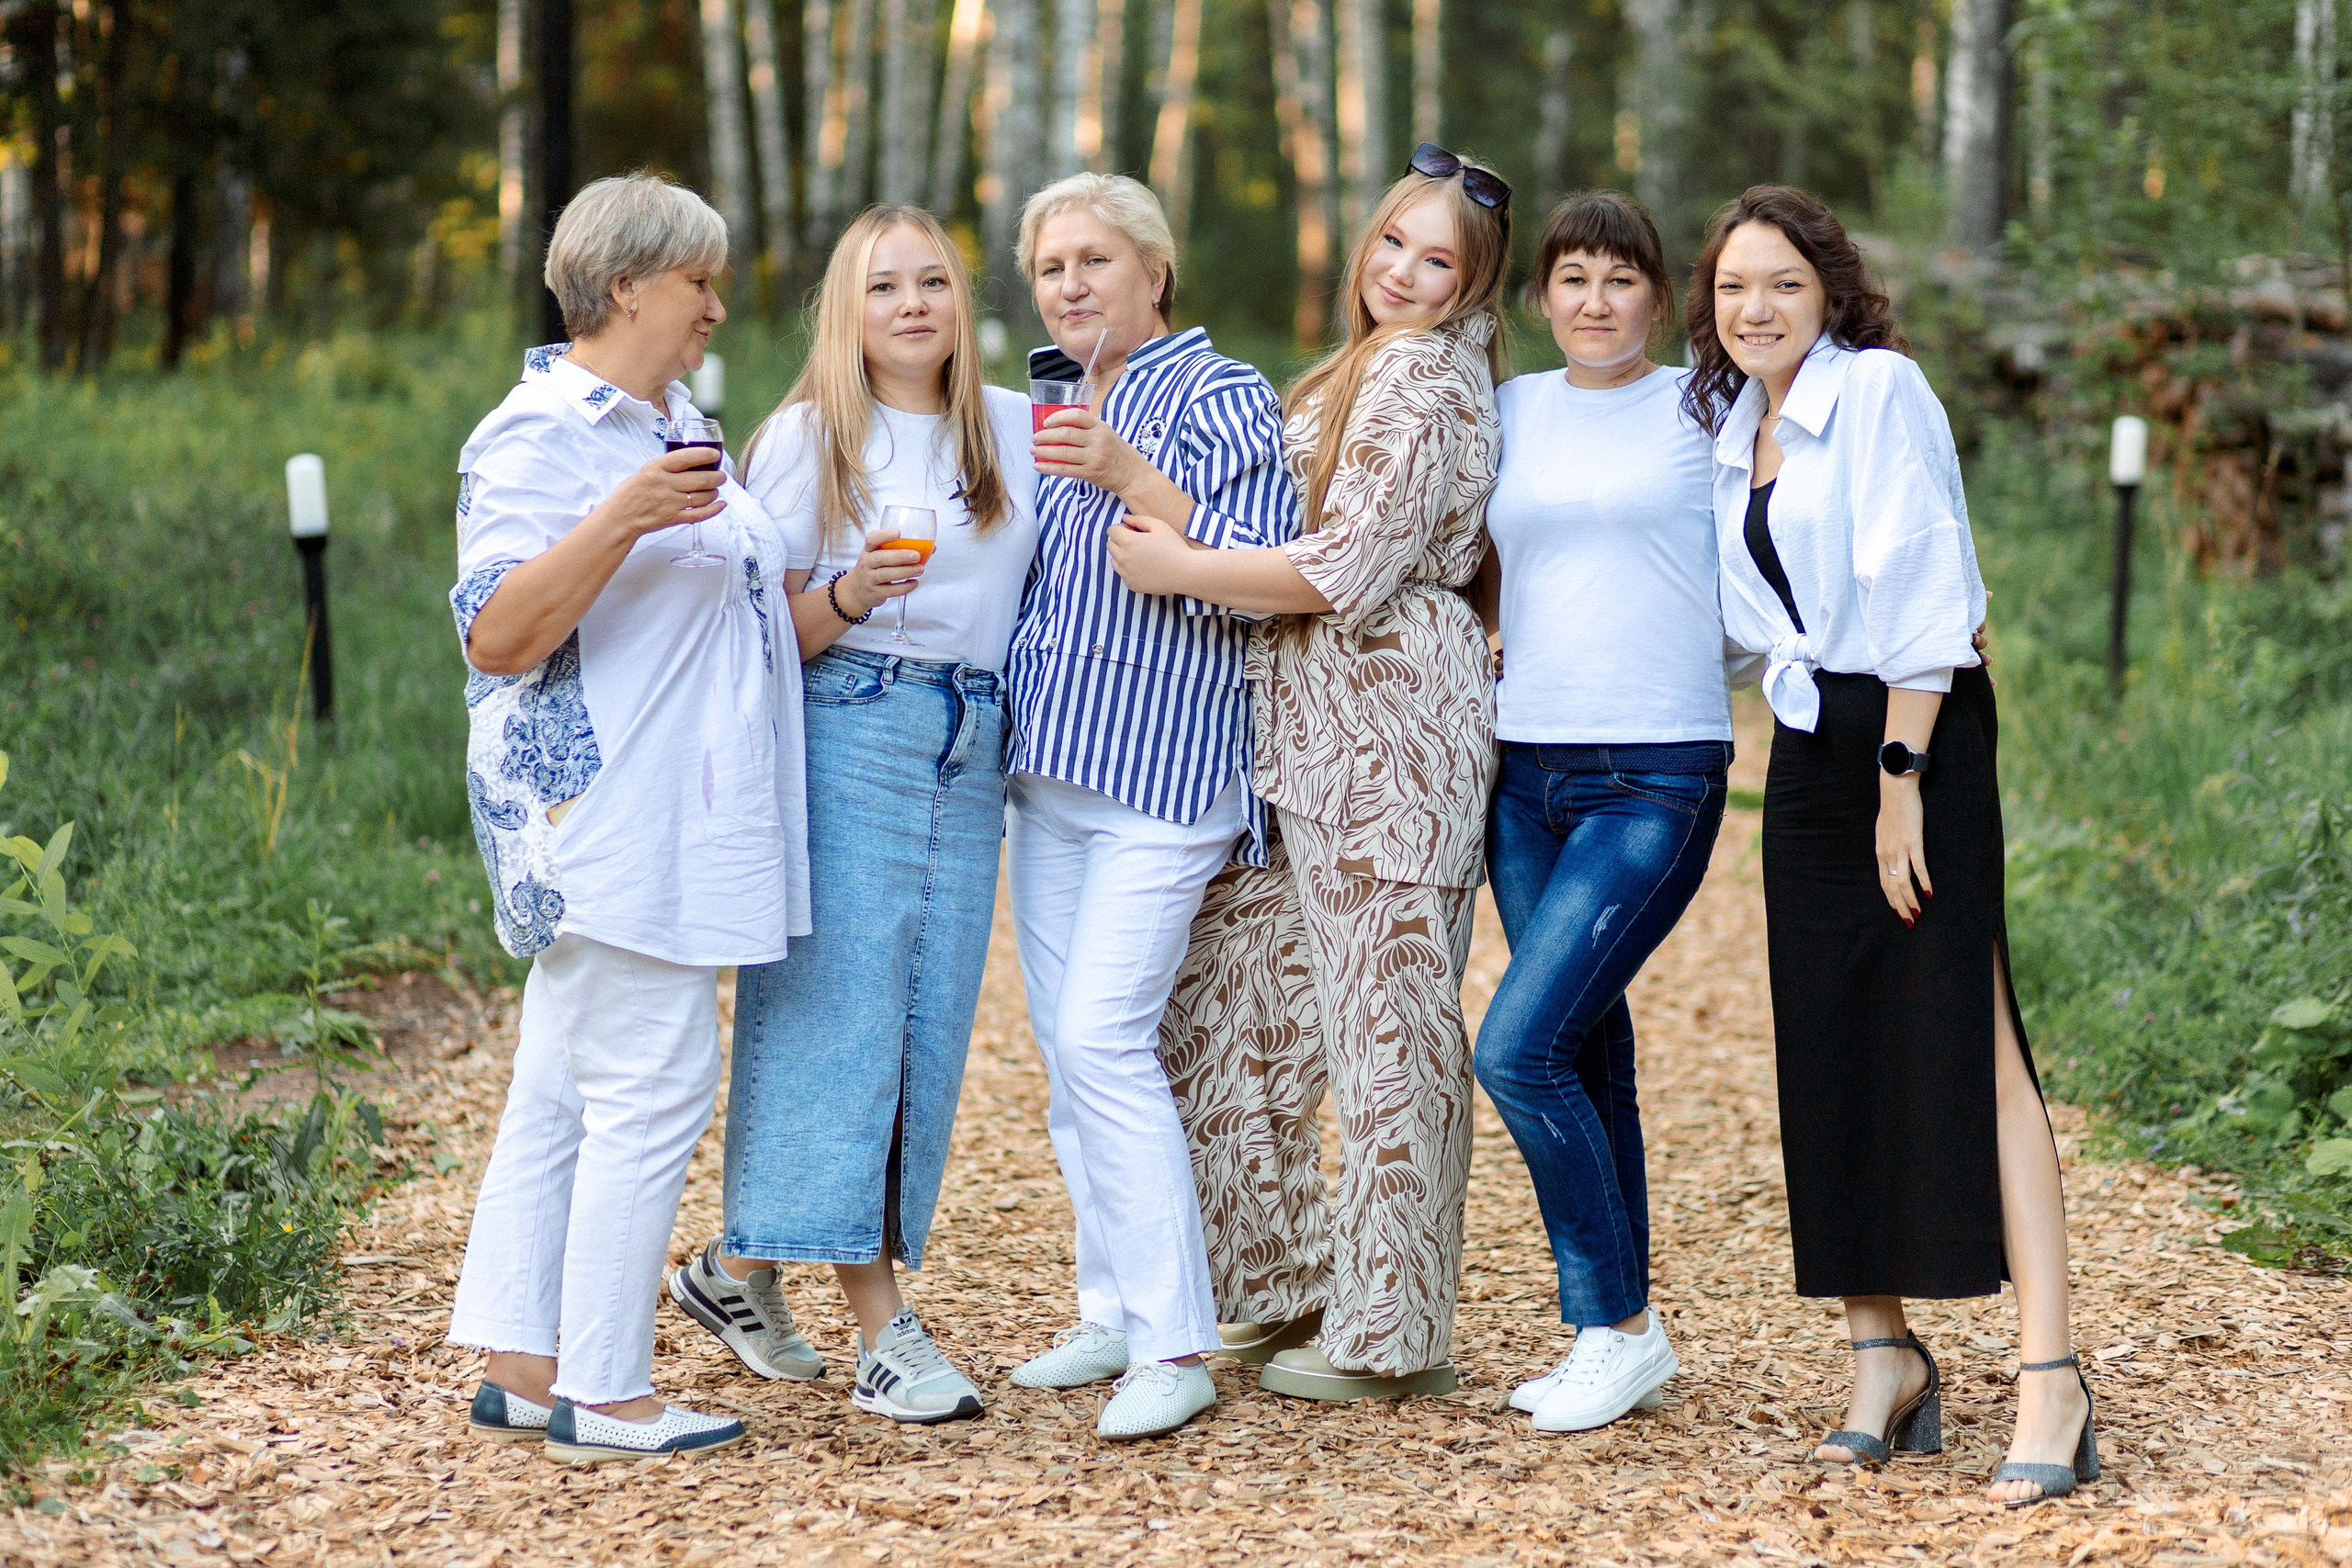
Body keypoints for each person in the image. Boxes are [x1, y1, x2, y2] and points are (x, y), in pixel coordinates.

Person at [1690, 186, 2094, 1506]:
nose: (1755, 308)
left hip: (1910, 729)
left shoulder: (1878, 395)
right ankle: (1884, 1358)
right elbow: (1752, 624)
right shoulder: (1730, 427)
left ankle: (2050, 1378)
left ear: (1832, 294)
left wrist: (1903, 781)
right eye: (1735, 286)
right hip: (1809, 740)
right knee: (1831, 1035)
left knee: (1968, 1026)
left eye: (1784, 286)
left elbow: (1925, 586)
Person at [1120, 144, 1508, 1402]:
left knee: (1390, 1038)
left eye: (1436, 259)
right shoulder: (1358, 367)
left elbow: (1341, 569)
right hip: (1305, 749)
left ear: (1473, 280)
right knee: (1222, 1005)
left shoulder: (1425, 382)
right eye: (1392, 243)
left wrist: (1178, 564)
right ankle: (1278, 1288)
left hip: (1394, 747)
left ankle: (1395, 1343)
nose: (1403, 271)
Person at [445, 174, 805, 1464]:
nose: (717, 304)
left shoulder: (670, 417)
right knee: (653, 1088)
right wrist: (623, 514)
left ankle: (519, 1365)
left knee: (559, 1089)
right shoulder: (540, 435)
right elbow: (498, 632)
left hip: (680, 811)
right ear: (626, 288)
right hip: (606, 817)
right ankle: (606, 1390)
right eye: (698, 281)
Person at [664, 205, 1037, 1427]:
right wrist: (845, 591)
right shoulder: (809, 437)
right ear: (850, 309)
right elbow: (759, 636)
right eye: (886, 287)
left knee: (921, 1022)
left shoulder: (1016, 437)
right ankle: (885, 1332)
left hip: (971, 742)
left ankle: (737, 1269)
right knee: (842, 1011)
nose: (914, 305)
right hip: (851, 723)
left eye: (933, 281)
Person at [1001, 173, 1297, 1440]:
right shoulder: (1046, 400)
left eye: (1094, 261)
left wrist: (1131, 473)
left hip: (1164, 778)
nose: (1071, 286)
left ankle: (1175, 1344)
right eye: (1052, 268)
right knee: (1070, 1058)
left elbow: (1275, 566)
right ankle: (1113, 1304)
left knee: (1107, 1041)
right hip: (1049, 769)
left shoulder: (1219, 393)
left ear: (1155, 271)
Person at [1471, 191, 1731, 1433]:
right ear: (1542, 298)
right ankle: (1623, 1334)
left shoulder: (1705, 406)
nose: (1593, 300)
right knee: (1580, 1046)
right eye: (1571, 277)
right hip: (1524, 773)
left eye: (1619, 278)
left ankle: (1611, 1324)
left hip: (1657, 771)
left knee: (1514, 1049)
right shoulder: (1511, 410)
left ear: (1658, 296)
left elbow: (1776, 547)